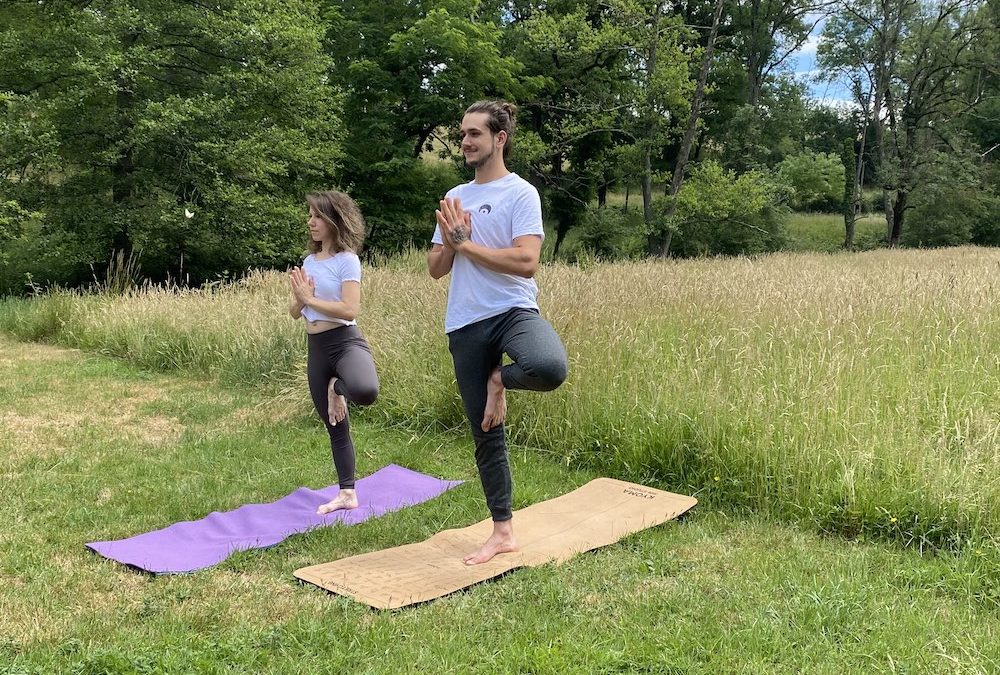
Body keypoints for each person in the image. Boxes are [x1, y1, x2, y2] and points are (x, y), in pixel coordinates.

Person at [427, 100, 568, 565]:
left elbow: (526, 263)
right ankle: (502, 531)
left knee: (548, 366)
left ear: (499, 138)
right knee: (486, 431)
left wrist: (469, 244)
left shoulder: (521, 193)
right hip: (465, 322)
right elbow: (434, 269)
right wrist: (451, 243)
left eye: (474, 134)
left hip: (512, 311)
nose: (465, 142)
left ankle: (498, 380)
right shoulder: (454, 197)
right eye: (463, 134)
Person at [289, 191, 379, 515]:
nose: (310, 221)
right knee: (335, 426)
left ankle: (337, 387)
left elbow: (349, 308)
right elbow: (294, 312)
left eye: (316, 216)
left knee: (366, 390)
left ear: (333, 220)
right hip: (317, 349)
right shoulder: (309, 262)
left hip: (344, 342)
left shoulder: (347, 260)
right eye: (310, 215)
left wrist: (310, 300)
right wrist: (301, 298)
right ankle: (347, 493)